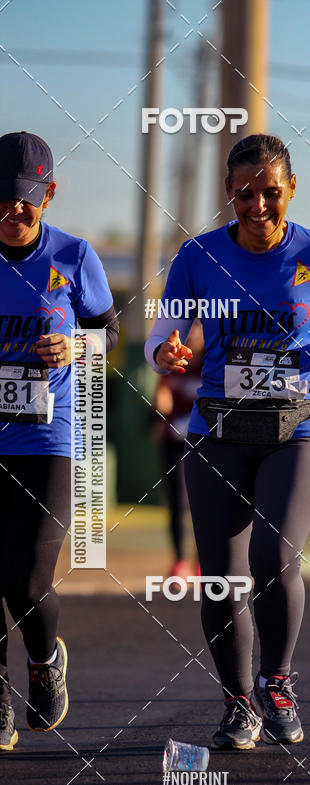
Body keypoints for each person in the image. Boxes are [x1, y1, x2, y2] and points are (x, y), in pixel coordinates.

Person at [145, 133, 310, 750]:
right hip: (218, 433)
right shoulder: (198, 257)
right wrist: (164, 351)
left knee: (273, 559)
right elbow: (161, 333)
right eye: (245, 194)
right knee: (221, 580)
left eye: (270, 193)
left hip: (299, 431)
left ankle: (277, 683)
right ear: (228, 191)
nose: (257, 206)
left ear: (291, 189)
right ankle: (238, 705)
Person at [0, 132, 119, 751]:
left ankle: (45, 659)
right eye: (2, 198)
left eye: (26, 199)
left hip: (48, 438)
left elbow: (108, 333)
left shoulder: (73, 256)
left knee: (26, 580)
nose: (14, 211)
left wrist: (77, 346)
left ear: (47, 196)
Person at [153, 322, 204, 577]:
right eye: (189, 328)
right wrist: (160, 415)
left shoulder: (212, 364)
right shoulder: (173, 362)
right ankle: (180, 562)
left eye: (197, 327)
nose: (192, 333)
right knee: (177, 502)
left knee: (205, 504)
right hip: (175, 442)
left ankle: (202, 563)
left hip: (205, 442)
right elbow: (162, 396)